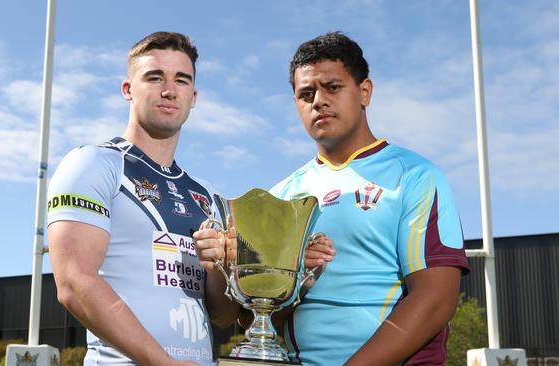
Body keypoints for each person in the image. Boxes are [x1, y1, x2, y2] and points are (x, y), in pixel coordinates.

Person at [196, 31, 469, 366]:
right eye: (305, 93)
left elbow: (436, 300)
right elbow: (252, 316)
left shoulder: (415, 175)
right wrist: (227, 264)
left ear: (364, 92)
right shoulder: (282, 195)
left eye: (332, 87)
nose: (318, 101)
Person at [47, 31, 222, 365]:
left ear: (194, 96)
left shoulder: (206, 194)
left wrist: (218, 266)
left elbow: (224, 315)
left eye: (181, 81)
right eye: (154, 77)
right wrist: (163, 363)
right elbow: (73, 282)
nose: (169, 90)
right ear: (128, 89)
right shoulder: (93, 163)